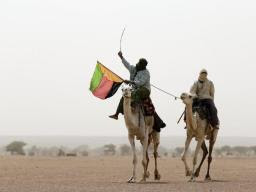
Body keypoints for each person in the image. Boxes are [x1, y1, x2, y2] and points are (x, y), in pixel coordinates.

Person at [109, 51, 165, 131]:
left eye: (139, 64)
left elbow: (140, 83)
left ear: (143, 66)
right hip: (134, 89)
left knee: (136, 92)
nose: (137, 64)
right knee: (125, 96)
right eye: (138, 62)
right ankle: (116, 114)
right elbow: (127, 65)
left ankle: (132, 106)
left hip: (144, 90)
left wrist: (130, 81)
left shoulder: (146, 73)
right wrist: (121, 57)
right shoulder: (134, 69)